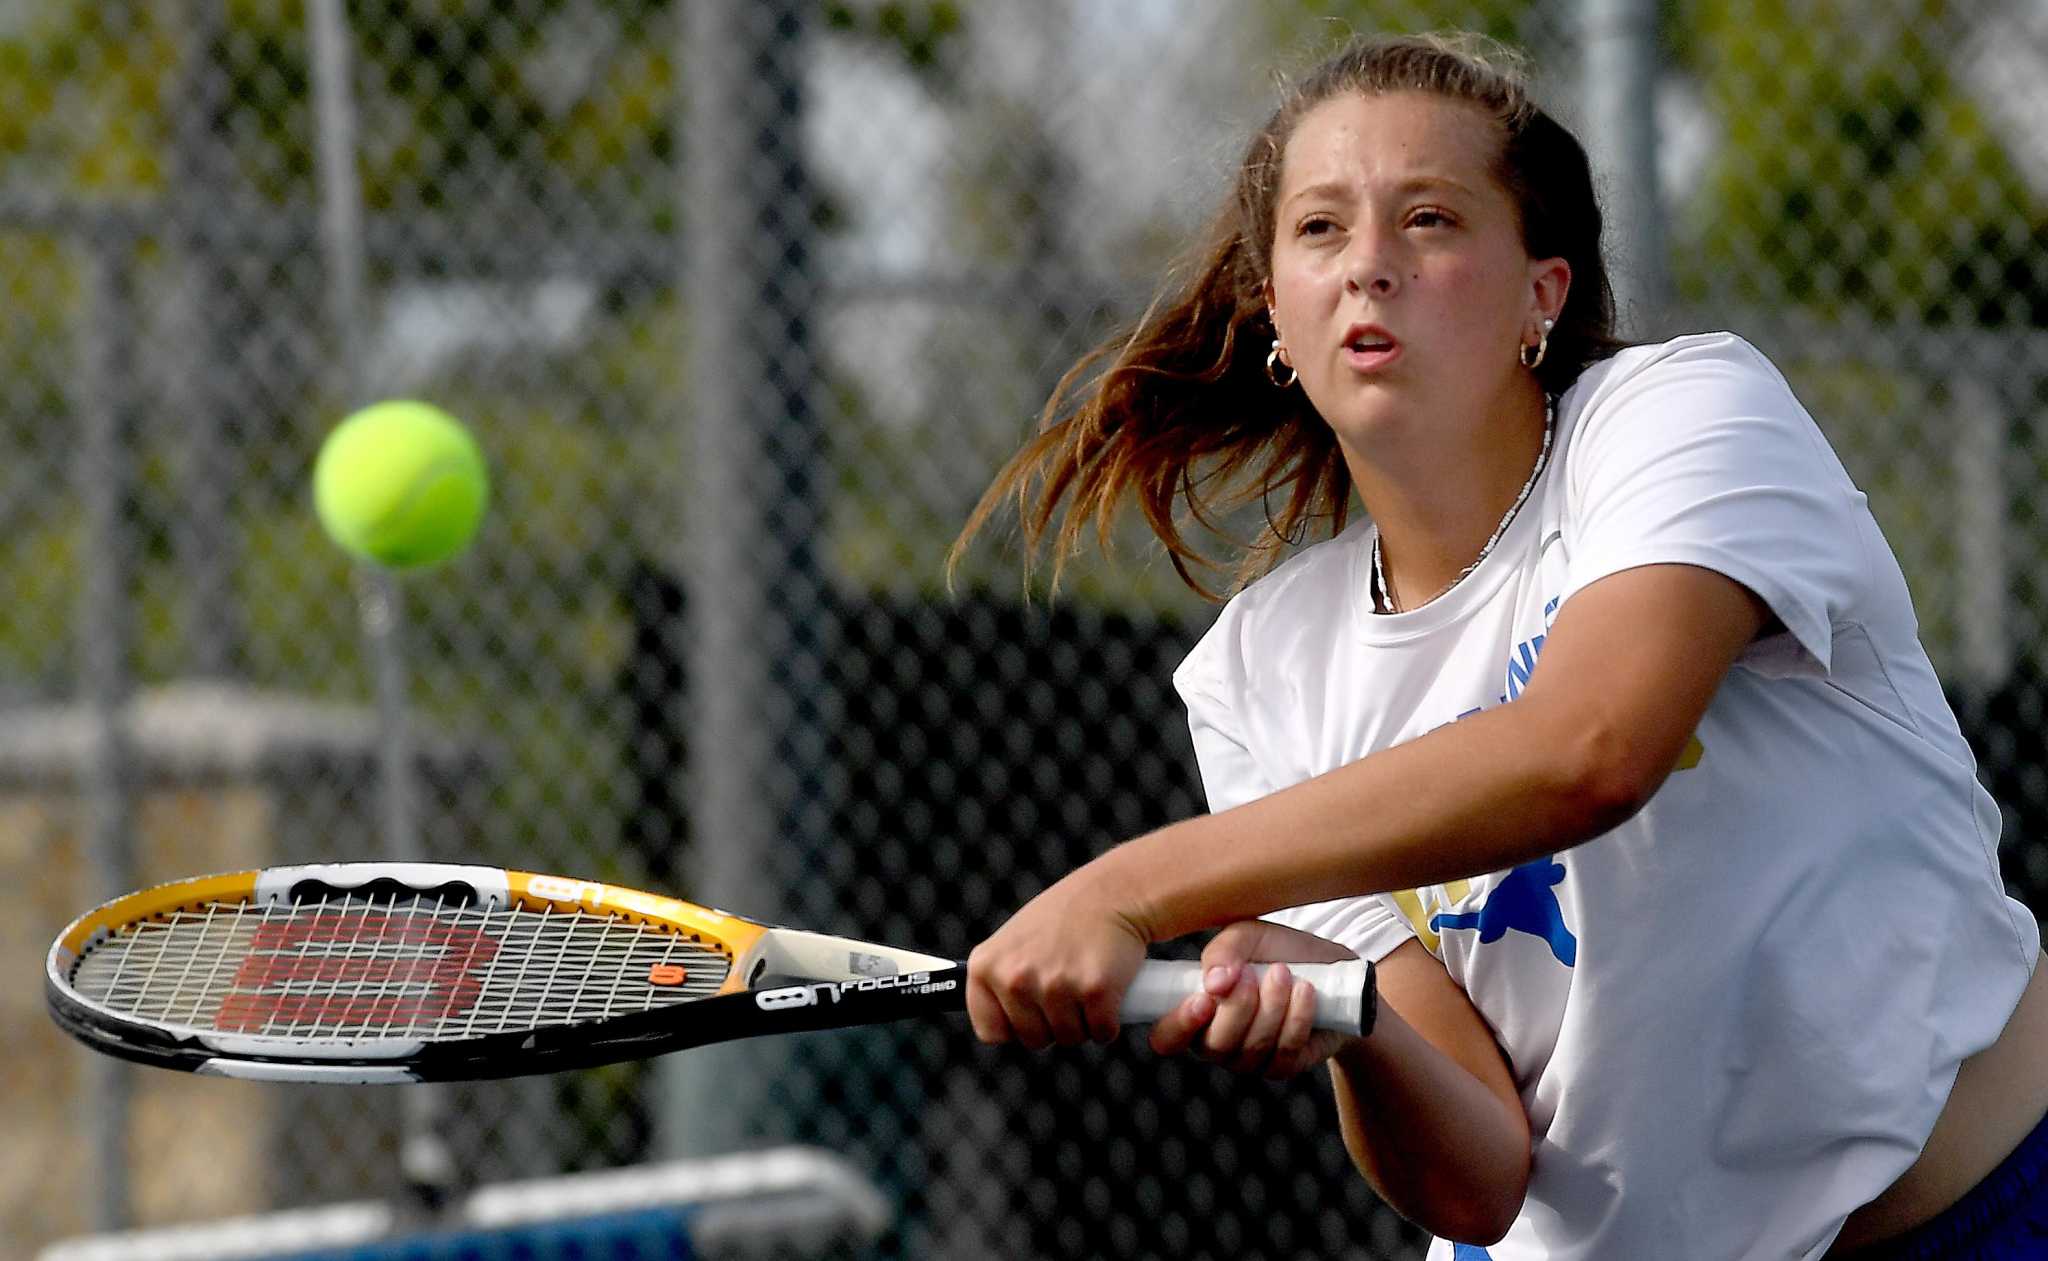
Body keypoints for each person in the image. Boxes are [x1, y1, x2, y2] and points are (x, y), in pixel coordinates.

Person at [947, 31, 2048, 1261]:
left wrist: (1123, 889)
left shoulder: (1681, 416)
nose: (1367, 265)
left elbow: (1589, 748)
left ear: (1542, 291)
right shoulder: (1260, 668)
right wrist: (1347, 1015)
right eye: (1317, 229)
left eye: (1426, 219)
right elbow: (1477, 1178)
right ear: (1274, 315)